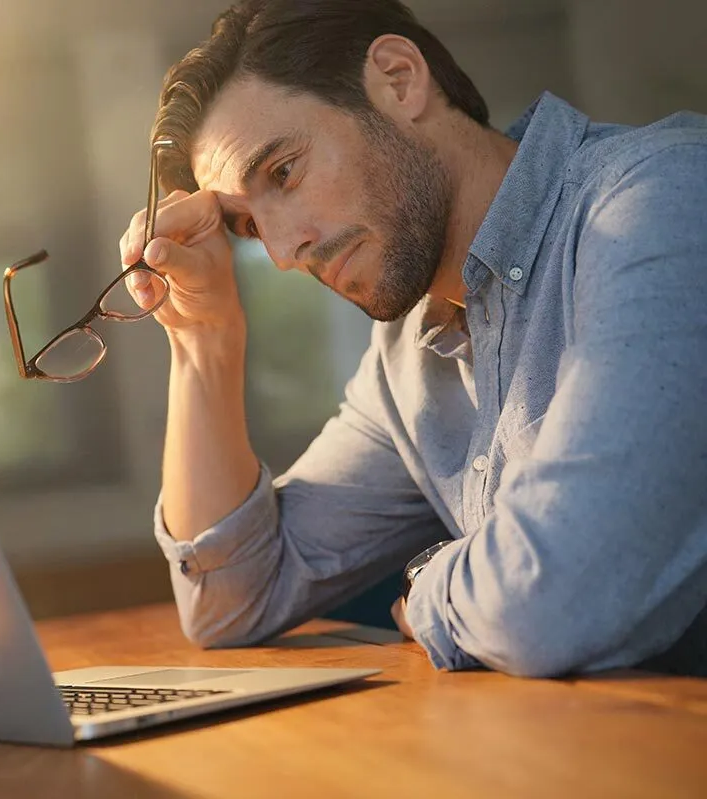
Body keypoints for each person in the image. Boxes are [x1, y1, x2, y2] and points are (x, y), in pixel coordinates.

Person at [117, 0, 707, 677]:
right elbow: (229, 599)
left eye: (283, 172)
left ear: (399, 80)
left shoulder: (662, 199)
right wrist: (202, 337)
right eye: (249, 228)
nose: (283, 251)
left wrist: (432, 583)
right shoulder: (407, 357)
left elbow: (563, 595)